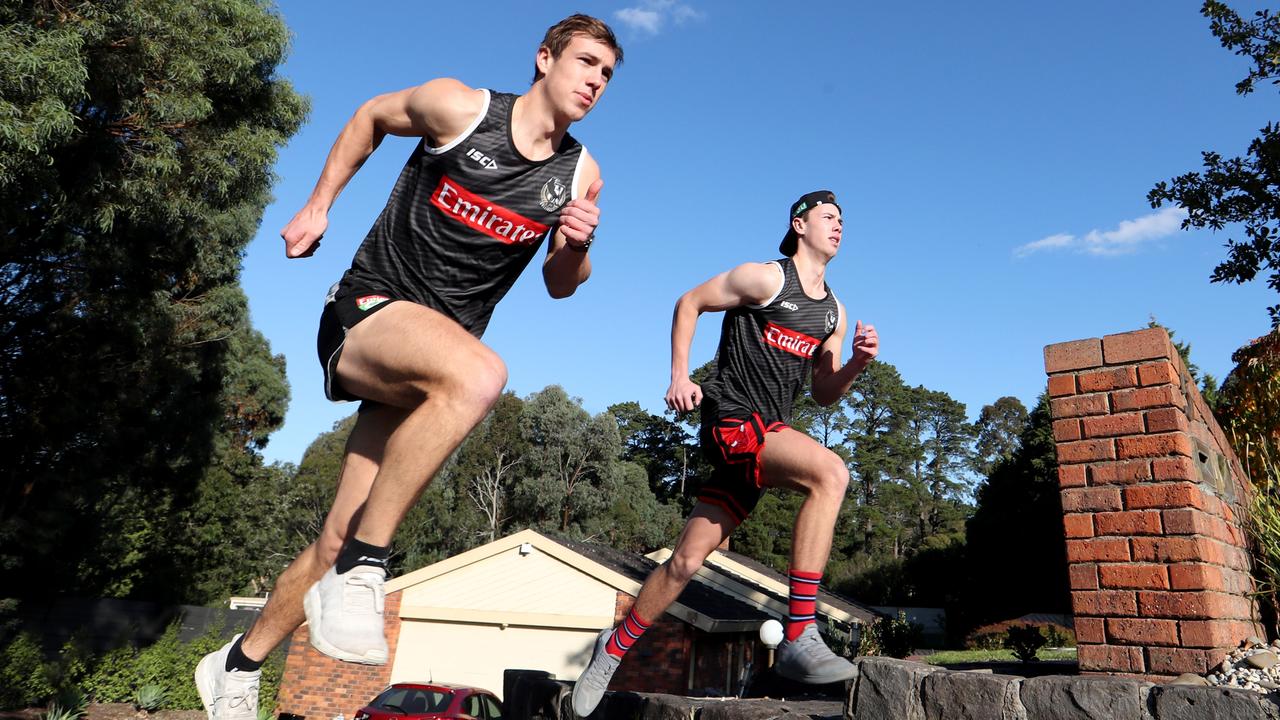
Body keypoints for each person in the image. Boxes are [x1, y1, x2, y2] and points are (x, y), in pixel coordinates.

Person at [194, 14, 623, 720]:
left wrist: (577, 245)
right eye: (585, 63)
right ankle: (369, 567)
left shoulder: (580, 174)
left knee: (333, 537)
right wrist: (318, 205)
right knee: (482, 376)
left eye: (607, 75)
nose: (595, 82)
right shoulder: (461, 107)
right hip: (366, 312)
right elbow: (370, 115)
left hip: (428, 361)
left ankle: (237, 665)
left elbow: (560, 282)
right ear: (545, 59)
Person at [572, 190, 879, 714]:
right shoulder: (765, 278)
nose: (839, 226)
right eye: (829, 217)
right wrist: (678, 375)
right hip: (732, 420)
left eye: (844, 220)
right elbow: (689, 302)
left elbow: (825, 392)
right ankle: (800, 630)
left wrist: (855, 364)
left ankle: (612, 647)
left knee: (685, 562)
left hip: (767, 437)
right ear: (799, 224)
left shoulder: (833, 310)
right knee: (831, 473)